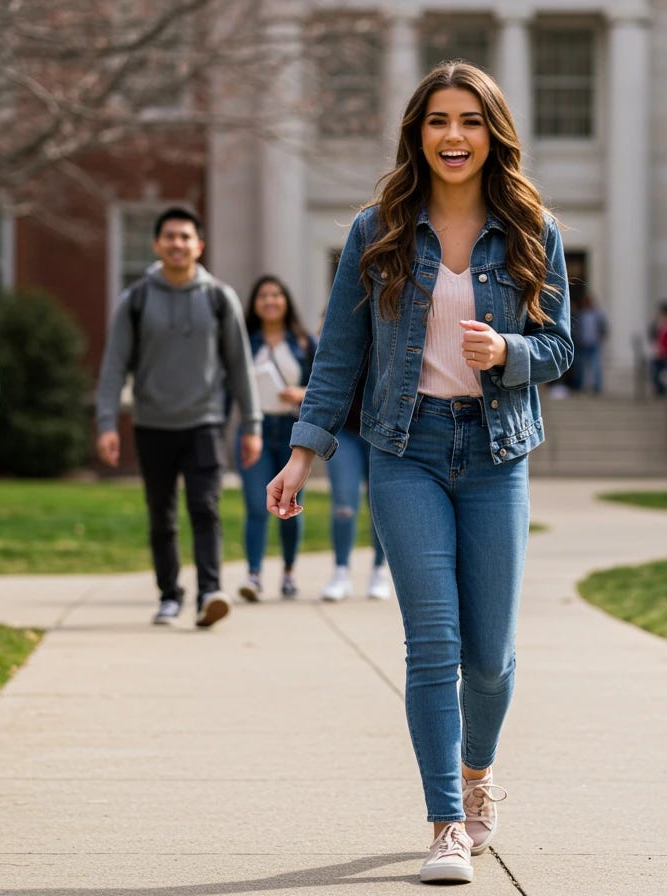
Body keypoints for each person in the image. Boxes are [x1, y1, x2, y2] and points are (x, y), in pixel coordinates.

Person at [266, 62, 572, 884]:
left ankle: (478, 775)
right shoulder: (379, 231)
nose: (454, 136)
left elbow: (563, 346)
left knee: (492, 658)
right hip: (406, 452)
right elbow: (340, 351)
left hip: (497, 452)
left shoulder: (534, 228)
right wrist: (305, 449)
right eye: (438, 120)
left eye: (470, 121)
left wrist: (508, 351)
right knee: (431, 643)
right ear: (417, 133)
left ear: (492, 132)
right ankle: (445, 822)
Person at [95, 206, 261, 629]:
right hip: (152, 422)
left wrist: (252, 424)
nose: (177, 244)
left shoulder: (218, 298)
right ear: (156, 244)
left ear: (199, 245)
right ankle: (169, 595)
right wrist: (107, 422)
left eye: (185, 237)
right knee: (162, 515)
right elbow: (114, 366)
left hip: (205, 421)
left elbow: (239, 365)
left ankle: (209, 593)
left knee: (206, 507)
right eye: (169, 237)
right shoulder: (136, 299)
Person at [235, 275, 314, 602]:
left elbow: (325, 387)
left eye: (276, 295)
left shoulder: (303, 342)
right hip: (255, 431)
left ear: (286, 302)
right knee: (256, 504)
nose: (270, 301)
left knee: (288, 506)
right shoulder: (244, 342)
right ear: (254, 304)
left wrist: (300, 393)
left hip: (291, 431)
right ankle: (253, 576)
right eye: (263, 295)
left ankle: (289, 572)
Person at [319, 381, 390, 602]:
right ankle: (340, 572)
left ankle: (379, 571)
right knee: (344, 501)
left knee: (382, 505)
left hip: (383, 428)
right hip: (344, 431)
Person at [570, 291, 607, 394]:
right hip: (581, 344)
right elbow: (575, 328)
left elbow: (604, 328)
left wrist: (600, 338)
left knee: (595, 366)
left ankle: (597, 387)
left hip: (594, 344)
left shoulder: (598, 315)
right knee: (580, 366)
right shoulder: (580, 314)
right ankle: (579, 386)